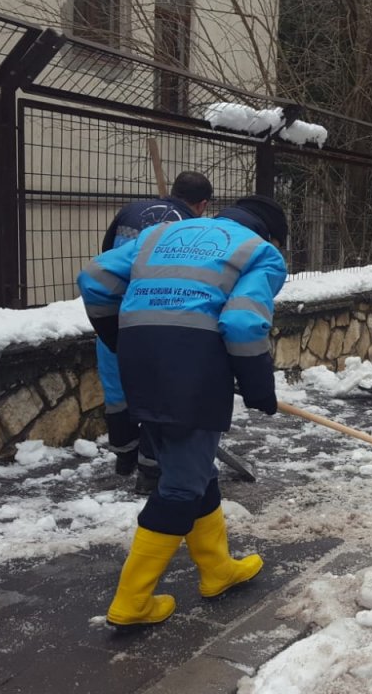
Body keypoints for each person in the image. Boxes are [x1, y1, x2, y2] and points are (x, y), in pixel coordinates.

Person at [77, 194, 289, 627]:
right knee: (180, 488)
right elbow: (244, 323)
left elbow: (95, 278)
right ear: (269, 233)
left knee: (191, 469)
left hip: (138, 360)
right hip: (193, 366)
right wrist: (258, 388)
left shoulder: (161, 233)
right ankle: (132, 602)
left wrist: (122, 339)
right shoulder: (261, 253)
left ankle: (217, 569)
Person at [97, 172, 213, 494]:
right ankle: (150, 472)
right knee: (156, 395)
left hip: (112, 313)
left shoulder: (130, 210)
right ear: (202, 204)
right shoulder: (192, 229)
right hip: (155, 318)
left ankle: (123, 458)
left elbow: (105, 259)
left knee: (117, 391)